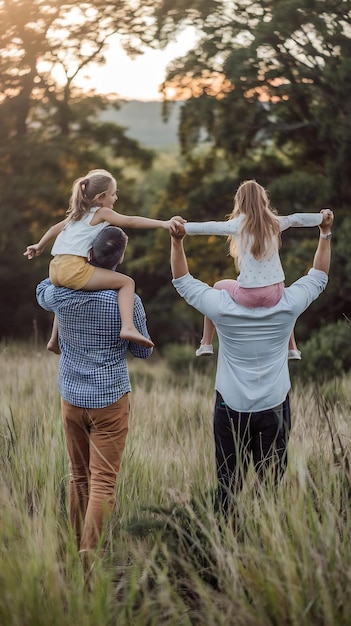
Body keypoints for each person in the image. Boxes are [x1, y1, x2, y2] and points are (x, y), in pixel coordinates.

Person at [170, 208, 334, 515]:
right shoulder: (287, 302)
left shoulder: (221, 306)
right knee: (270, 487)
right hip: (274, 405)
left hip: (230, 407)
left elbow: (182, 281)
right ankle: (264, 540)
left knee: (228, 486)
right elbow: (319, 277)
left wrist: (178, 241)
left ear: (241, 260)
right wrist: (324, 233)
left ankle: (226, 547)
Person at [36, 225, 154, 554]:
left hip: (71, 397)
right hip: (110, 400)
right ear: (120, 257)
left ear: (87, 253)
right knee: (103, 481)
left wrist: (65, 264)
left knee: (78, 476)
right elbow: (143, 352)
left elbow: (41, 290)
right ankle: (90, 557)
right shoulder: (125, 298)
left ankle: (76, 551)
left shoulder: (60, 293)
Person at [25, 168, 182, 353]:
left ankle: (54, 340)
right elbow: (130, 221)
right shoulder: (100, 213)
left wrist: (39, 246)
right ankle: (128, 327)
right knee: (127, 282)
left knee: (67, 292)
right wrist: (164, 223)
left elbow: (52, 229)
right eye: (113, 194)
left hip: (55, 269)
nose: (115, 198)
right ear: (100, 198)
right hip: (74, 268)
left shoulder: (76, 215)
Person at [183, 180, 324, 360]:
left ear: (239, 202)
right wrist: (321, 218)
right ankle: (292, 348)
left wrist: (183, 227)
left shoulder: (237, 224)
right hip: (276, 294)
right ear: (264, 200)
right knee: (288, 302)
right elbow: (296, 219)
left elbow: (209, 226)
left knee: (218, 285)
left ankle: (206, 343)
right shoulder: (274, 222)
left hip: (248, 296)